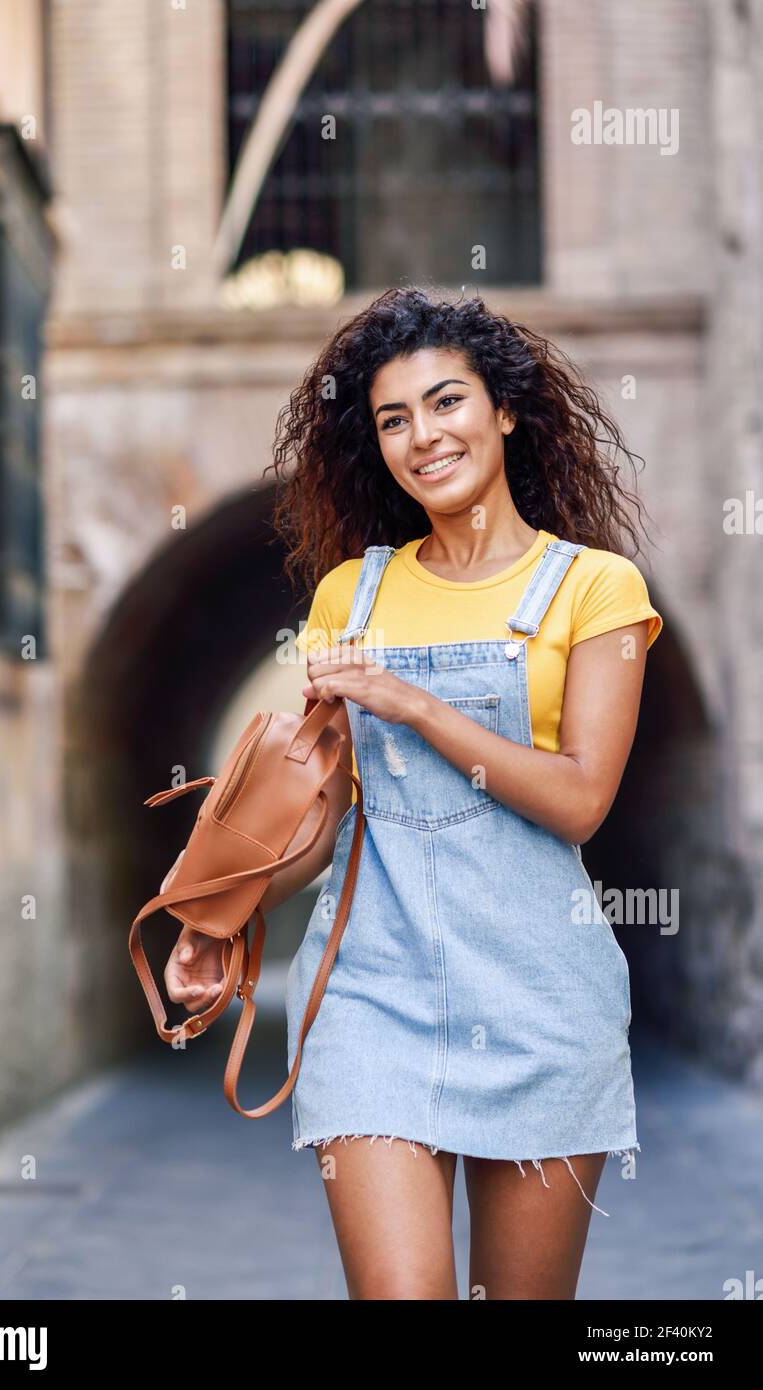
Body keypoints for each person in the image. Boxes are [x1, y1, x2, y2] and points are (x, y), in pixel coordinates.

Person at [167, 288, 663, 1300]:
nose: (422, 437)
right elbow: (326, 812)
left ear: (506, 411)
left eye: (446, 403)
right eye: (394, 419)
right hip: (374, 993)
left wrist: (412, 702)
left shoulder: (596, 590)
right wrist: (221, 911)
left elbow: (579, 801)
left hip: (540, 999)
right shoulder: (354, 595)